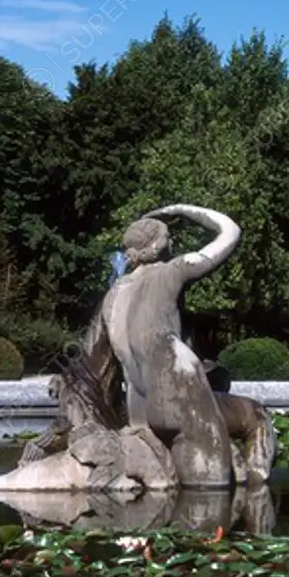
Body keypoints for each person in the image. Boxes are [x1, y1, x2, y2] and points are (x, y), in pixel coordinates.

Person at [99, 204, 241, 487]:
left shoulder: (113, 295)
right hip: (177, 391)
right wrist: (182, 209)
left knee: (159, 497)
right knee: (211, 488)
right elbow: (230, 232)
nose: (173, 241)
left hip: (138, 408)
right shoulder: (173, 271)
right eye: (168, 236)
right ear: (154, 247)